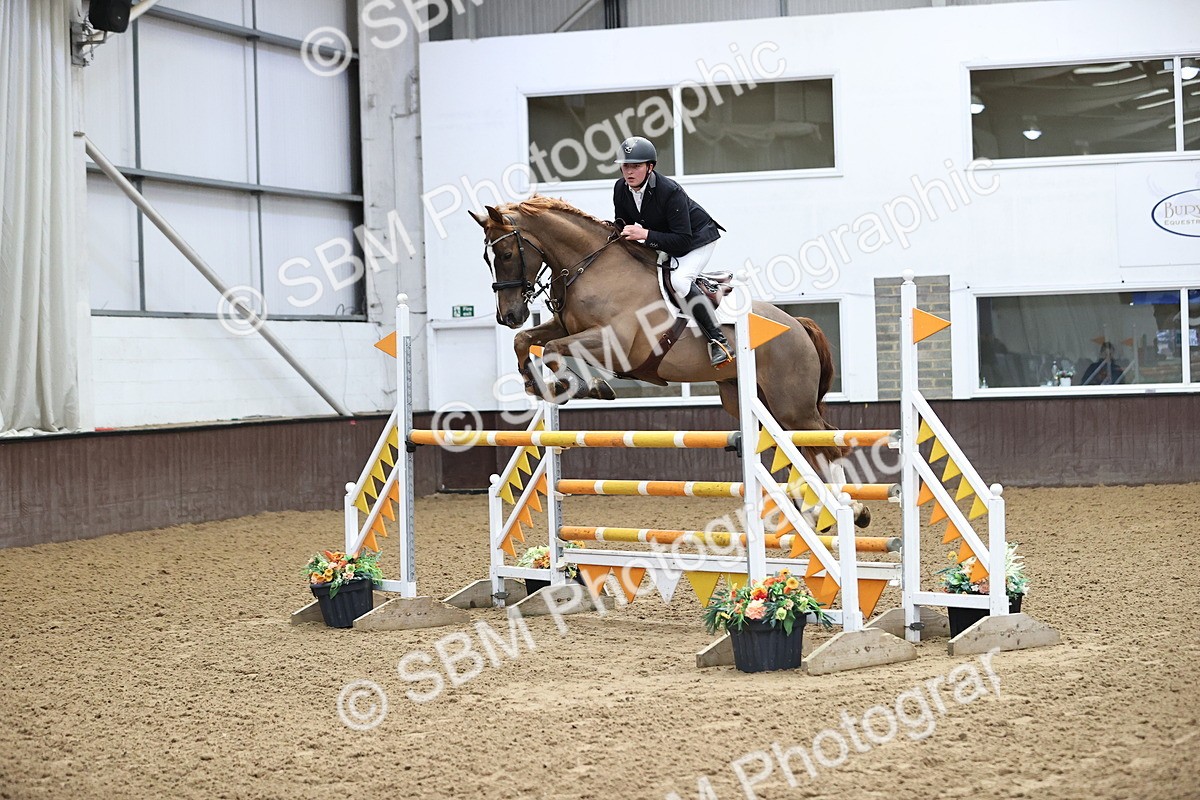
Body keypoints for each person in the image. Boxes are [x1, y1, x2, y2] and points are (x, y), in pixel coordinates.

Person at [612, 136, 732, 367]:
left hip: (696, 239)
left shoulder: (670, 190)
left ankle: (719, 341)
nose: (629, 171)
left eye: (636, 166)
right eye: (626, 165)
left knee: (679, 281)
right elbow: (622, 225)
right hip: (661, 239)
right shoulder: (620, 188)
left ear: (650, 167)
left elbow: (683, 242)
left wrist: (645, 235)